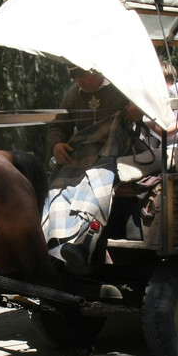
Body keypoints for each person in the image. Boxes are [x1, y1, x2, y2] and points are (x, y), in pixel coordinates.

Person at [42, 65, 143, 273]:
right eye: (74, 76)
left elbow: (153, 108)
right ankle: (52, 242)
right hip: (82, 154)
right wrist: (57, 145)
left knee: (97, 183)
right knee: (56, 188)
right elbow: (59, 125)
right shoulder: (72, 94)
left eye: (82, 74)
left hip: (119, 152)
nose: (78, 80)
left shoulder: (121, 87)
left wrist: (138, 109)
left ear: (96, 71)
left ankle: (82, 243)